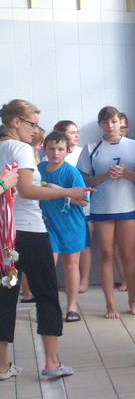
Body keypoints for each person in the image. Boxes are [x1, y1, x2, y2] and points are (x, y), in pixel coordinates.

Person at [0, 100, 91, 379]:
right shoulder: (19, 148)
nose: (35, 130)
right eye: (33, 124)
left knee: (5, 296)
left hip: (5, 234)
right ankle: (52, 362)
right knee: (47, 295)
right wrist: (67, 191)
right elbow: (27, 190)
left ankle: (2, 365)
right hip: (30, 232)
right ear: (16, 122)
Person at [77, 105, 135, 319]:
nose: (110, 126)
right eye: (105, 122)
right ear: (100, 124)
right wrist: (105, 176)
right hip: (102, 207)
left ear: (121, 123)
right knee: (106, 254)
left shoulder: (133, 146)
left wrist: (126, 173)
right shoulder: (91, 147)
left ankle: (133, 300)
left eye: (114, 121)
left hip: (128, 206)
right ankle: (110, 305)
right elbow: (84, 180)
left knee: (128, 255)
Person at [38, 131, 90, 323]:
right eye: (51, 148)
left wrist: (60, 191)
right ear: (44, 149)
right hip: (47, 225)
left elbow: (83, 201)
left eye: (60, 149)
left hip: (71, 226)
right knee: (47, 266)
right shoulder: (38, 169)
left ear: (68, 151)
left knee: (70, 265)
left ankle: (71, 307)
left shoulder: (71, 172)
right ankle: (48, 307)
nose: (55, 153)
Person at [54, 119, 89, 294]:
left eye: (77, 132)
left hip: (79, 210)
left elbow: (83, 195)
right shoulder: (46, 161)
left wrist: (62, 192)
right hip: (55, 214)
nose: (76, 135)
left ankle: (83, 282)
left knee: (82, 248)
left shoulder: (81, 154)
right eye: (71, 132)